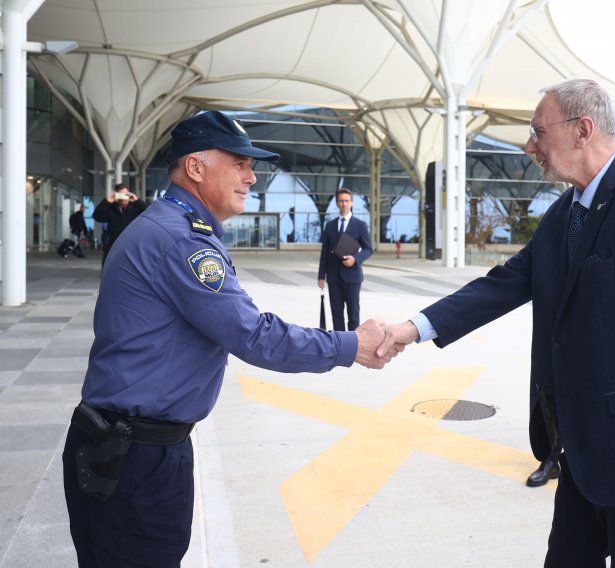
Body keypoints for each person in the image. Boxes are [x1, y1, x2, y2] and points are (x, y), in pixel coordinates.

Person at [379, 78, 615, 567]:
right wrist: (412, 328)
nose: (530, 146)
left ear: (582, 129)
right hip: (587, 453)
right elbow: (506, 283)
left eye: (538, 132)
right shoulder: (570, 210)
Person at [62, 110, 398, 568]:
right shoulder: (182, 242)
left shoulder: (170, 228)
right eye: (239, 163)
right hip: (133, 457)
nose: (251, 177)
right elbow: (254, 336)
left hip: (132, 448)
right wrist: (350, 345)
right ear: (196, 168)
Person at [317, 188, 373, 330]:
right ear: (337, 203)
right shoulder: (330, 226)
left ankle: (354, 346)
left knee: (353, 315)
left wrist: (355, 259)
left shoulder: (360, 225)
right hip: (333, 277)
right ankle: (340, 346)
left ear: (352, 203)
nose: (344, 204)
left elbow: (368, 249)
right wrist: (321, 276)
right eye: (341, 201)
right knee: (336, 315)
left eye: (347, 201)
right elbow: (324, 253)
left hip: (353, 277)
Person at [92, 182, 148, 266]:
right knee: (109, 269)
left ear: (129, 195)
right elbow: (98, 217)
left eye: (125, 194)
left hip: (132, 245)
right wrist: (106, 201)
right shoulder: (110, 207)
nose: (122, 198)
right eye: (120, 195)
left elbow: (150, 213)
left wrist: (137, 200)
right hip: (113, 244)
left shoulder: (136, 207)